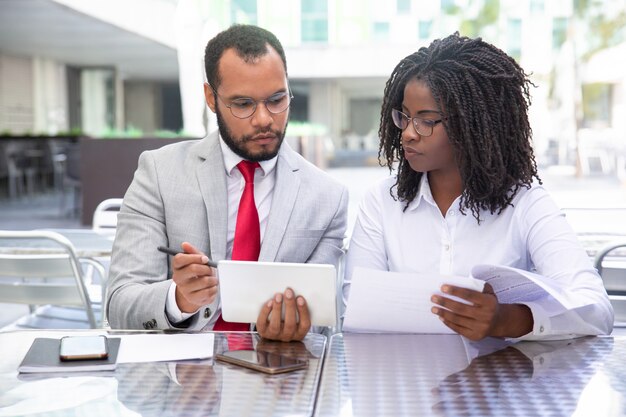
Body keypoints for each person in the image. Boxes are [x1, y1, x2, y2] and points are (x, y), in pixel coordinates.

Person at [343, 33, 613, 341]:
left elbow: (597, 310)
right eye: (403, 117)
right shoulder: (381, 203)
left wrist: (510, 320)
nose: (407, 134)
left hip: (498, 384)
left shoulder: (525, 204)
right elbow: (354, 313)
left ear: (473, 123)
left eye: (425, 120)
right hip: (404, 382)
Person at [106, 24, 348, 342]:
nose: (264, 119)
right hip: (181, 381)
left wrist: (297, 328)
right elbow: (119, 305)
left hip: (275, 375)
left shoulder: (328, 198)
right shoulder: (159, 173)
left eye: (277, 100)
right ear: (211, 97)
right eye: (244, 104)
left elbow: (326, 322)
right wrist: (179, 301)